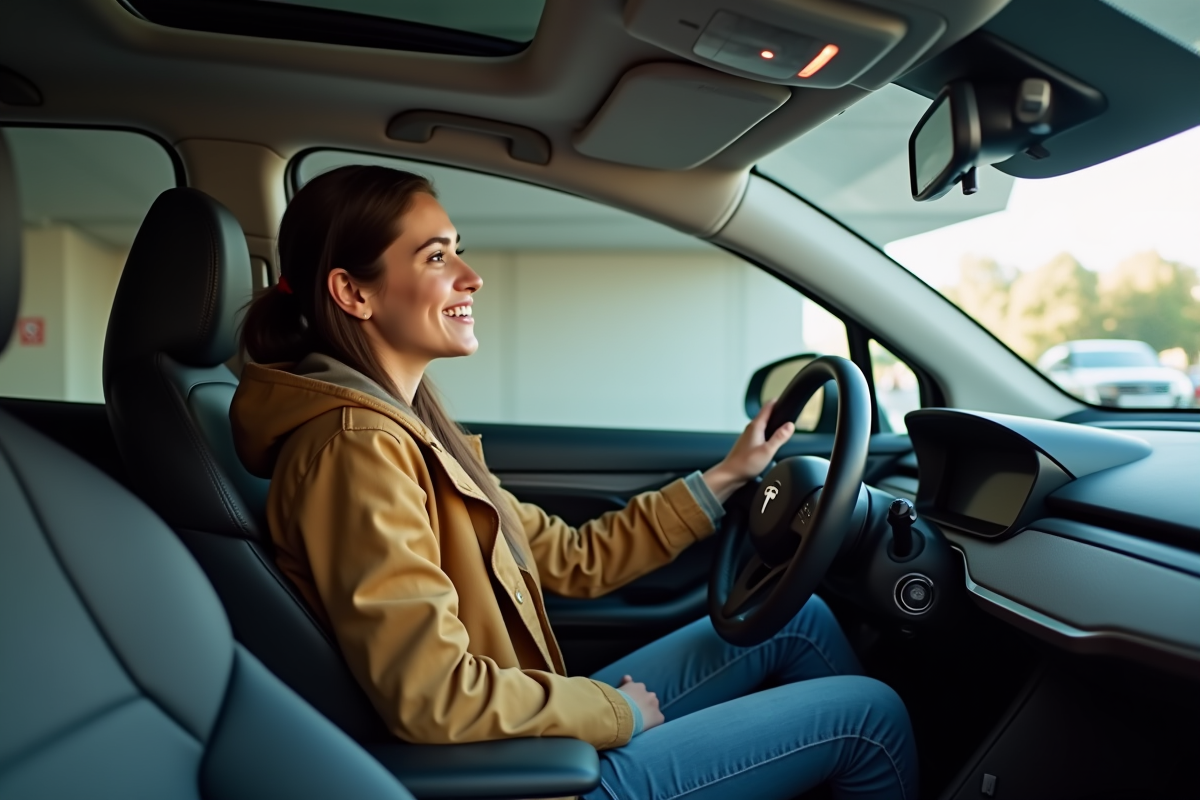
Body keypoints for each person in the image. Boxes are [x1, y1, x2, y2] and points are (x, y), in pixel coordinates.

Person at [230, 165, 918, 800]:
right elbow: (431, 694)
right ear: (354, 292)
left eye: (456, 249)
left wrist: (725, 478)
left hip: (520, 736)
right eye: (436, 256)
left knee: (798, 619)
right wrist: (613, 712)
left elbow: (567, 555)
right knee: (871, 717)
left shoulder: (407, 430)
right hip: (521, 780)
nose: (470, 276)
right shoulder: (358, 452)